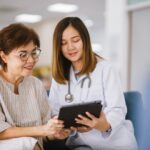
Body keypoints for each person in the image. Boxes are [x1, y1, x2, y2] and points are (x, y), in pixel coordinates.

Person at [49, 17, 137, 150]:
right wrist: (64, 128)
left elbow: (117, 109)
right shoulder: (59, 76)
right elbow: (55, 112)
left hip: (115, 144)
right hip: (82, 144)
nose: (70, 47)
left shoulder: (105, 68)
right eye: (63, 43)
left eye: (75, 40)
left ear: (85, 40)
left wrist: (102, 124)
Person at [0, 23, 70, 150]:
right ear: (4, 56)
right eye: (23, 55)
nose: (31, 60)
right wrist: (42, 130)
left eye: (34, 53)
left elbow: (44, 131)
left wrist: (53, 133)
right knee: (26, 143)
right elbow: (1, 132)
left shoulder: (35, 84)